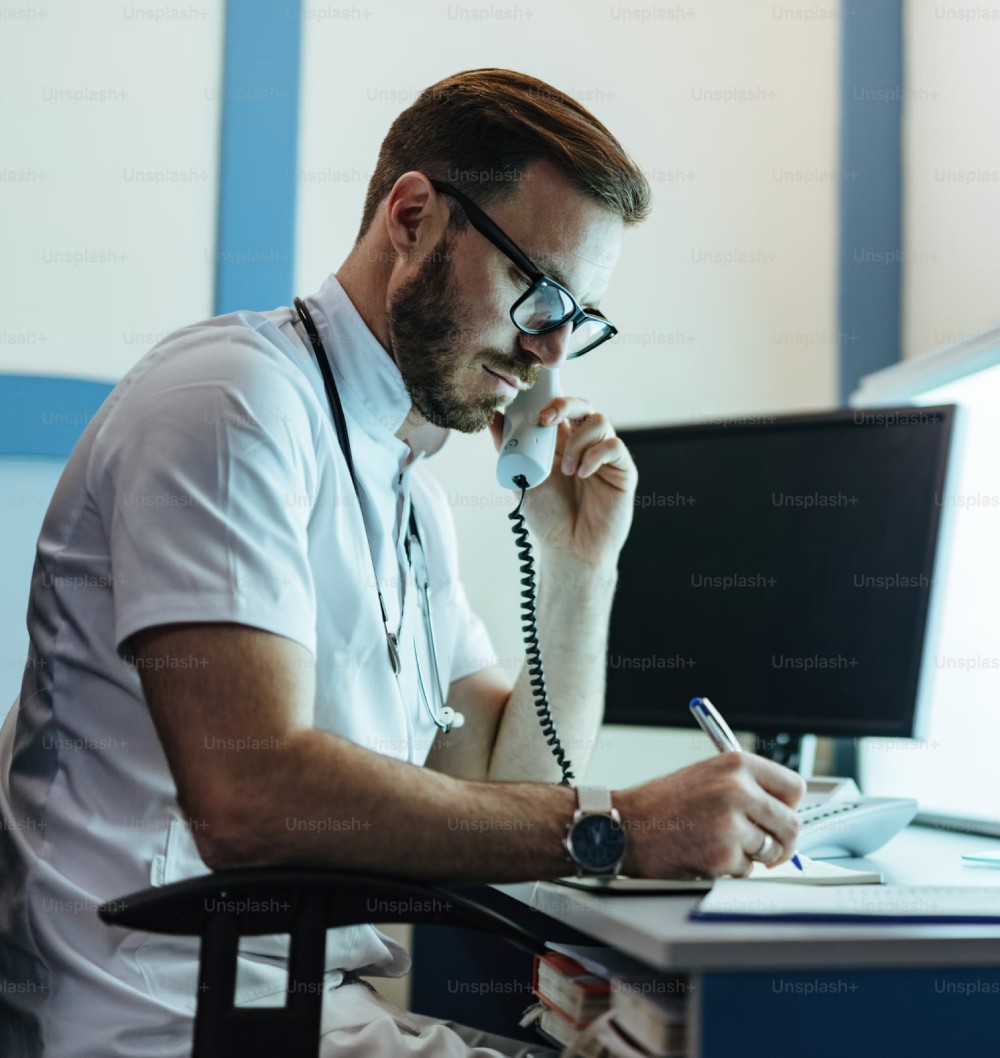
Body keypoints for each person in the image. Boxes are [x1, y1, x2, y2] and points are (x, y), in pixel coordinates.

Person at [0, 68, 804, 1057]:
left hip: (307, 1013)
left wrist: (577, 570)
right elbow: (251, 796)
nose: (549, 353)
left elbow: (505, 779)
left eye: (577, 320)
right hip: (168, 1028)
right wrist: (618, 824)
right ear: (415, 216)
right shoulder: (230, 403)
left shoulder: (402, 480)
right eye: (539, 291)